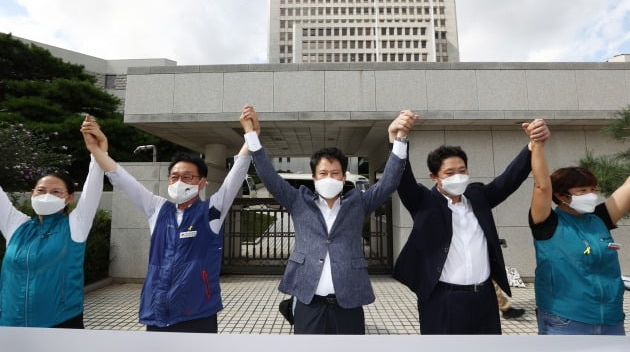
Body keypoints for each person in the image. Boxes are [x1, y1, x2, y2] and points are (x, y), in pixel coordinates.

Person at [240, 105, 416, 334]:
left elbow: (389, 182)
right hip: (308, 302)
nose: (329, 178)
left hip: (349, 302)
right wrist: (251, 135)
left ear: (344, 177)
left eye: (335, 173)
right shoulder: (298, 201)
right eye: (323, 174)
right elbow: (269, 176)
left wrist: (399, 139)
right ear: (314, 178)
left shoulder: (358, 203)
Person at [87, 121, 251, 333]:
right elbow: (122, 179)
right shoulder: (157, 208)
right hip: (157, 310)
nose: (179, 181)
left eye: (187, 177)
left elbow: (235, 176)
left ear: (202, 183)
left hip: (198, 312)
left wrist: (249, 136)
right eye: (174, 177)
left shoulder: (211, 211)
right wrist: (96, 150)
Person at [393, 119, 550, 334]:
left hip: (484, 299)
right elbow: (402, 179)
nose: (458, 176)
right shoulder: (424, 203)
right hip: (442, 300)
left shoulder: (478, 197)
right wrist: (398, 139)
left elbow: (509, 180)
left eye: (462, 170)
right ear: (434, 177)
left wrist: (533, 145)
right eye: (449, 173)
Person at [0, 115, 105, 328]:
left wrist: (97, 151)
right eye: (41, 190)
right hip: (11, 322)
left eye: (56, 191)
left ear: (69, 198)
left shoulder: (75, 225)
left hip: (60, 322)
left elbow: (93, 187)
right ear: (32, 194)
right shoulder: (16, 226)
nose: (47, 195)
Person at [529, 130, 628, 335]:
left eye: (593, 189)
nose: (590, 195)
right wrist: (537, 145)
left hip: (611, 319)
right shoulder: (547, 221)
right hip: (565, 320)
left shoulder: (599, 219)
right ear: (561, 195)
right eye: (582, 191)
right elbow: (541, 187)